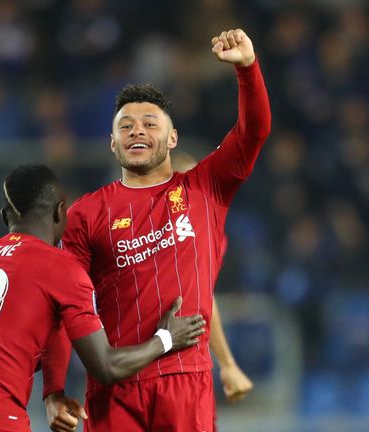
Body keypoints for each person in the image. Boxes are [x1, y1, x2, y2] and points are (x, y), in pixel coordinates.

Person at [43, 28, 271, 431]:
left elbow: (253, 132)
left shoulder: (204, 187)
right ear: (112, 143)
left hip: (186, 381)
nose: (137, 131)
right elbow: (64, 308)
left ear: (172, 137)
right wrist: (53, 390)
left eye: (150, 123)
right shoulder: (86, 213)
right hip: (114, 389)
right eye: (126, 126)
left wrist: (248, 70)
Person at [0, 165, 206, 432]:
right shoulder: (60, 268)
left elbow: (32, 336)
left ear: (5, 217)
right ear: (60, 212)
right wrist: (166, 339)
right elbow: (106, 367)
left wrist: (53, 392)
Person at [171, 151, 254, 407]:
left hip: (179, 363)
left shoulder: (210, 236)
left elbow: (203, 296)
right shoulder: (141, 228)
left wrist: (227, 364)